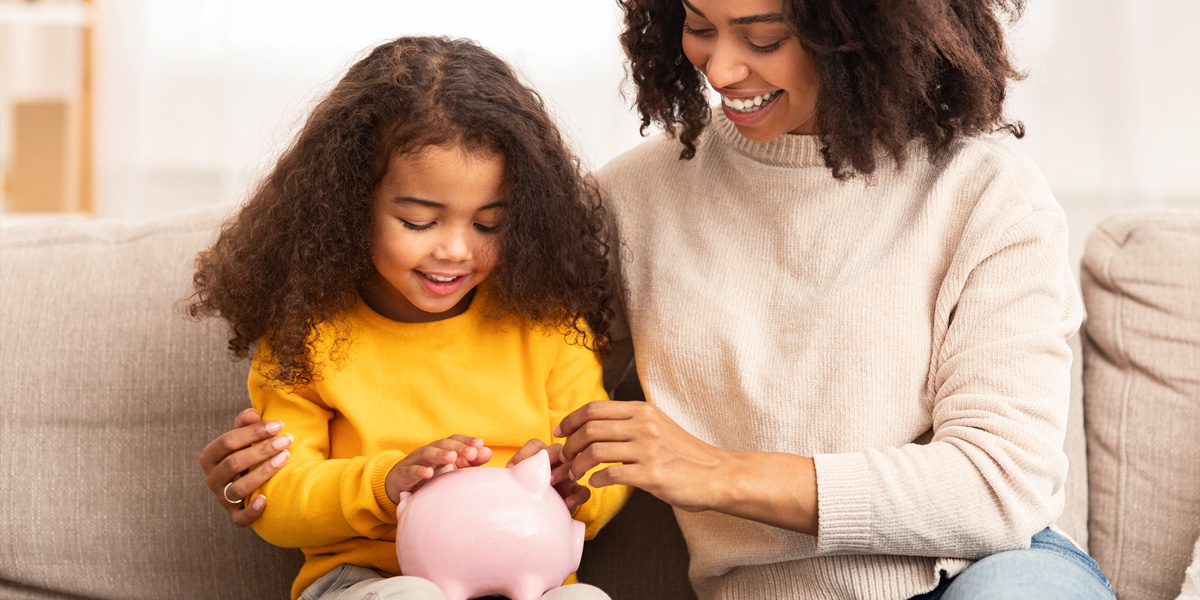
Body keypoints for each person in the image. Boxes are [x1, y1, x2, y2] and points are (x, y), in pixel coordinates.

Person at [203, 1, 1118, 598]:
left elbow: (999, 488)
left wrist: (714, 472)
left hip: (986, 574)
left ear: (865, 27)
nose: (720, 69)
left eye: (762, 36)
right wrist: (278, 470)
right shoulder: (628, 203)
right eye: (697, 24)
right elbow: (498, 365)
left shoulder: (987, 194)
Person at [189, 36, 629, 600]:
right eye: (420, 222)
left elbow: (605, 462)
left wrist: (577, 484)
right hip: (371, 581)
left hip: (530, 579)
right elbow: (275, 500)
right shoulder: (308, 336)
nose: (455, 250)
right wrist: (384, 485)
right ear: (350, 207)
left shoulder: (544, 326)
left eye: (488, 225)